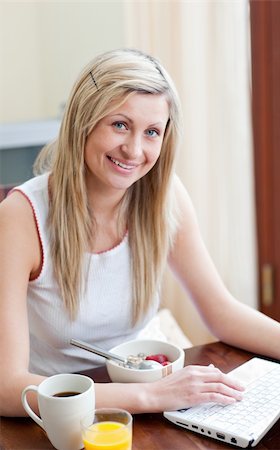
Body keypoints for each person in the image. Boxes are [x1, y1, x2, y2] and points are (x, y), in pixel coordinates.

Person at [0, 48, 279, 418]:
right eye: (119, 124)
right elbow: (8, 389)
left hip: (159, 388)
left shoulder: (165, 198)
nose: (134, 150)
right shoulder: (21, 217)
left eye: (151, 132)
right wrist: (152, 397)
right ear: (83, 121)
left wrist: (159, 394)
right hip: (66, 411)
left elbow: (222, 313)